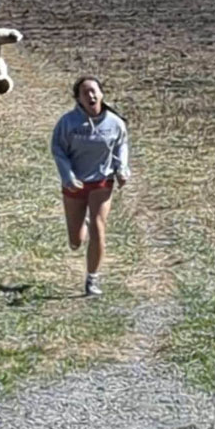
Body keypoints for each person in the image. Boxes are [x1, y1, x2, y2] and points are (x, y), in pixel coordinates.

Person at [51, 75, 130, 297]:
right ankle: (81, 225)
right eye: (85, 93)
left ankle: (92, 279)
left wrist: (122, 169)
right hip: (74, 184)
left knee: (98, 226)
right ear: (78, 99)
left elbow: (121, 146)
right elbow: (58, 149)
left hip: (102, 181)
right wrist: (67, 175)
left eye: (94, 91)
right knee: (76, 241)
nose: (91, 96)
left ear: (102, 94)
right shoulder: (68, 123)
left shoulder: (115, 123)